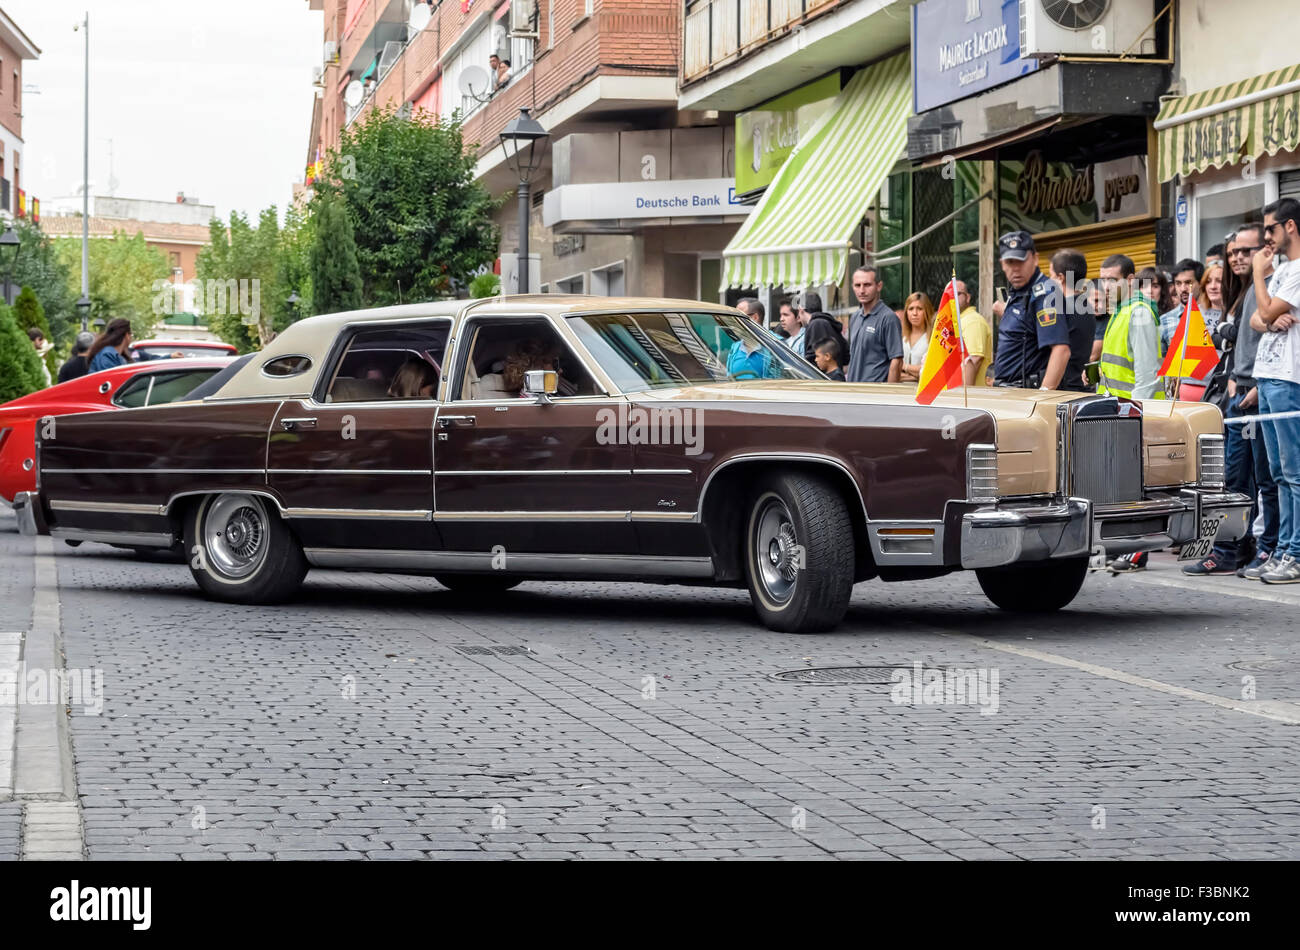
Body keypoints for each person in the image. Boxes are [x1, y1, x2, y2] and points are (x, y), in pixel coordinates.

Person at [1186, 224, 1278, 577]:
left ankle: (1263, 547)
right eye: (1234, 252)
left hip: (1254, 396)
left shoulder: (1269, 287)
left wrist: (1255, 384)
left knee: (1264, 479)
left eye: (1246, 251)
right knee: (1234, 478)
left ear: (1264, 252)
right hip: (1236, 397)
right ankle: (1231, 547)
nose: (1238, 257)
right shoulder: (1240, 293)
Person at [1247, 197, 1300, 584]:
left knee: (1294, 473)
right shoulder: (1281, 270)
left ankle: (1295, 554)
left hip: (1287, 377)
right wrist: (1268, 317)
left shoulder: (1295, 272)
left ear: (1290, 227)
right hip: (1267, 376)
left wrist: (1256, 274)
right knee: (1279, 473)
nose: (1267, 237)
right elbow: (1256, 318)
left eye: (1271, 229)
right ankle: (1282, 550)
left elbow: (1264, 311)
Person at [991, 230, 1069, 389]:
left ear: (1035, 259)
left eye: (1020, 261)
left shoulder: (1045, 293)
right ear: (1002, 264)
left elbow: (1061, 351)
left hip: (1027, 394)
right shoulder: (1019, 291)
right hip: (1010, 392)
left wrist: (1042, 398)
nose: (1015, 268)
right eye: (1010, 262)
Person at [1097, 254, 1161, 401]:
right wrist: (1099, 368)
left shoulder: (1139, 312)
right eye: (1103, 280)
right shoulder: (1121, 309)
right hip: (1115, 406)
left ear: (1130, 280)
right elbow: (1122, 358)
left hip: (1129, 411)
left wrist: (1132, 412)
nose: (1106, 287)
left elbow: (1147, 375)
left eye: (1113, 280)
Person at [1048, 248, 1096, 392]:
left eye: (1051, 275)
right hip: (1079, 387)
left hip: (1062, 390)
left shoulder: (1061, 309)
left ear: (1060, 277)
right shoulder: (1086, 306)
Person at [845, 266, 903, 383]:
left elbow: (896, 361)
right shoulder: (855, 317)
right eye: (857, 285)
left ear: (879, 286)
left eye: (867, 285)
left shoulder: (888, 318)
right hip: (853, 391)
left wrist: (890, 394)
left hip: (875, 393)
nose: (861, 290)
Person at [1160, 258, 1205, 353]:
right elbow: (1161, 362)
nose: (1183, 288)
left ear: (1201, 283)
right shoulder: (1165, 321)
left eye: (1188, 283)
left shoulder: (1214, 316)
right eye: (1178, 283)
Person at [955, 280, 991, 386]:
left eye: (957, 294)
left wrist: (962, 396)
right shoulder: (956, 321)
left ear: (968, 297)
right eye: (949, 295)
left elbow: (974, 360)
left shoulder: (973, 321)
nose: (953, 298)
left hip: (968, 396)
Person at [796, 291, 845, 367]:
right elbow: (846, 357)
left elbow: (811, 363)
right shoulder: (828, 322)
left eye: (798, 312)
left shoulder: (816, 324)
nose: (798, 317)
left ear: (801, 309)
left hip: (821, 378)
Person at [899, 292, 934, 383]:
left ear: (926, 311)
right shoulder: (900, 336)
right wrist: (917, 376)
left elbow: (931, 371)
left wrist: (904, 367)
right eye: (911, 309)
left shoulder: (933, 337)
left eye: (919, 309)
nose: (915, 313)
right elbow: (893, 371)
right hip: (900, 391)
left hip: (924, 392)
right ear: (906, 312)